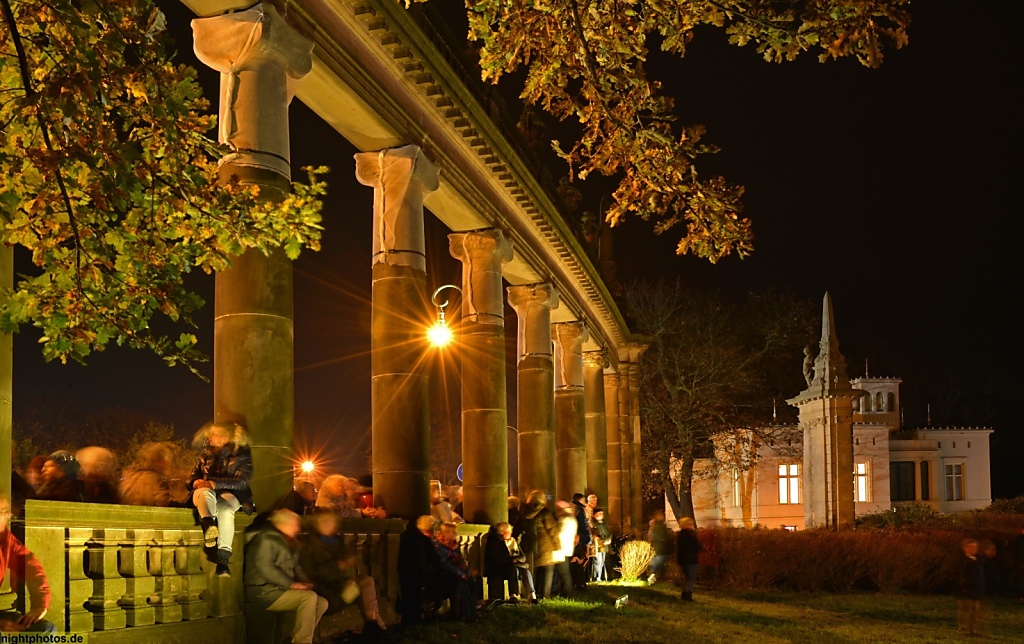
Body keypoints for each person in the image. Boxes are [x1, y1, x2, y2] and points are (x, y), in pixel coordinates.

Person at [245, 509, 328, 644]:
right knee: (308, 598)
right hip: (264, 591)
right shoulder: (265, 539)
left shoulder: (291, 542)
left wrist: (305, 582)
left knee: (322, 603)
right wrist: (292, 584)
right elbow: (265, 567)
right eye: (295, 524)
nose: (298, 528)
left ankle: (295, 637)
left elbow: (296, 567)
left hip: (280, 589)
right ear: (284, 524)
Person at [298, 513, 387, 635]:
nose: (330, 524)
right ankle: (375, 628)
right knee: (362, 589)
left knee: (366, 582)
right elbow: (312, 572)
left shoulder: (335, 540)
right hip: (328, 592)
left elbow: (344, 562)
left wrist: (347, 567)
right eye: (326, 521)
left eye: (332, 521)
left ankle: (376, 626)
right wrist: (338, 567)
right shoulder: (310, 544)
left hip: (340, 585)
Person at [188, 421, 255, 576]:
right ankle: (209, 525)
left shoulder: (242, 456)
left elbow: (242, 482)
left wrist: (214, 483)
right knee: (206, 492)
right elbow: (191, 477)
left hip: (232, 492)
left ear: (229, 437)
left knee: (226, 509)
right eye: (213, 434)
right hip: (204, 492)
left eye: (220, 435)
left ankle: (223, 558)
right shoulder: (204, 455)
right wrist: (195, 482)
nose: (215, 437)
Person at [0, 495, 55, 633]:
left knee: (46, 629)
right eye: (4, 512)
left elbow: (30, 564)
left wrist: (41, 604)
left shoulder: (4, 538)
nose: (9, 515)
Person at [397, 515, 444, 625]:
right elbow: (421, 563)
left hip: (420, 576)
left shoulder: (418, 539)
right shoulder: (420, 541)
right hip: (419, 578)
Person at [517, 490, 559, 600]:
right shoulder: (544, 513)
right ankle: (545, 595)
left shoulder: (523, 513)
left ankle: (533, 593)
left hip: (529, 546)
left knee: (532, 571)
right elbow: (553, 530)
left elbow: (517, 529)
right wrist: (558, 546)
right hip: (545, 546)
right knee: (547, 571)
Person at [120, 442, 188, 507]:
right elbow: (162, 501)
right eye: (167, 460)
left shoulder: (131, 475)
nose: (169, 465)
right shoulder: (154, 479)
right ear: (160, 461)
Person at [484, 521, 533, 603]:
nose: (511, 534)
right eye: (509, 532)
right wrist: (512, 560)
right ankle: (513, 595)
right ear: (504, 533)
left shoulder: (512, 541)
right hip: (498, 568)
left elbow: (522, 555)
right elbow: (496, 560)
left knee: (525, 571)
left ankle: (531, 595)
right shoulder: (495, 543)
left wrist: (516, 559)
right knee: (513, 570)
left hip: (510, 565)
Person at [956, 538, 986, 637]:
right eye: (972, 547)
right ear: (965, 548)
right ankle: (964, 629)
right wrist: (964, 587)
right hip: (967, 590)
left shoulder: (978, 561)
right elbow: (960, 575)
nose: (974, 549)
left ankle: (974, 630)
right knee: (966, 611)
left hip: (976, 590)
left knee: (975, 611)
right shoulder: (963, 561)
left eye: (975, 547)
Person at [553, 500, 577, 597]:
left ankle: (567, 593)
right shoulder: (571, 519)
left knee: (564, 573)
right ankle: (565, 591)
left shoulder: (565, 519)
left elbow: (560, 534)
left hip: (561, 549)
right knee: (564, 573)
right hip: (566, 548)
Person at [676, 517, 702, 601]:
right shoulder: (688, 535)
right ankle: (687, 595)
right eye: (689, 524)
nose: (691, 526)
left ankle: (686, 594)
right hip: (689, 558)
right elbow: (695, 546)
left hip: (686, 558)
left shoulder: (683, 535)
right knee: (691, 577)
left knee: (689, 577)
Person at [570, 493, 592, 589]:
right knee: (579, 560)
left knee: (576, 560)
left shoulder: (573, 508)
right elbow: (583, 525)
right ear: (580, 500)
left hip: (575, 537)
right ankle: (580, 583)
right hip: (579, 538)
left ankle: (576, 582)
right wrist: (586, 537)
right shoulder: (579, 509)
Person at [647, 510, 672, 581]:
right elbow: (652, 538)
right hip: (658, 550)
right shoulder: (656, 528)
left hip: (661, 550)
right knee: (656, 565)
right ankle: (653, 577)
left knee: (658, 565)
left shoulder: (662, 527)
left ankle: (656, 577)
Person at [590, 508, 612, 582]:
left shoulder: (604, 524)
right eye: (599, 513)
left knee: (602, 561)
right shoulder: (594, 524)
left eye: (602, 513)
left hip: (605, 546)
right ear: (594, 515)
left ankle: (601, 576)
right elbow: (595, 535)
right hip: (598, 546)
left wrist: (608, 540)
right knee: (597, 561)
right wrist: (603, 541)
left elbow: (609, 533)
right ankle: (596, 577)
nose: (601, 515)